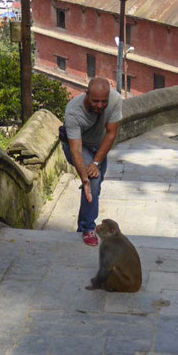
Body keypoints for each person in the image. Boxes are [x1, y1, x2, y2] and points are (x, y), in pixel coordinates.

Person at [61, 77, 122, 246]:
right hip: (78, 146)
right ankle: (88, 228)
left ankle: (84, 220)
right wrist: (84, 179)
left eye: (104, 101)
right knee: (92, 181)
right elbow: (76, 149)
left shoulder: (115, 100)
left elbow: (111, 134)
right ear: (86, 94)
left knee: (96, 183)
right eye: (96, 101)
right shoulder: (74, 111)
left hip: (98, 146)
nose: (100, 105)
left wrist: (95, 163)